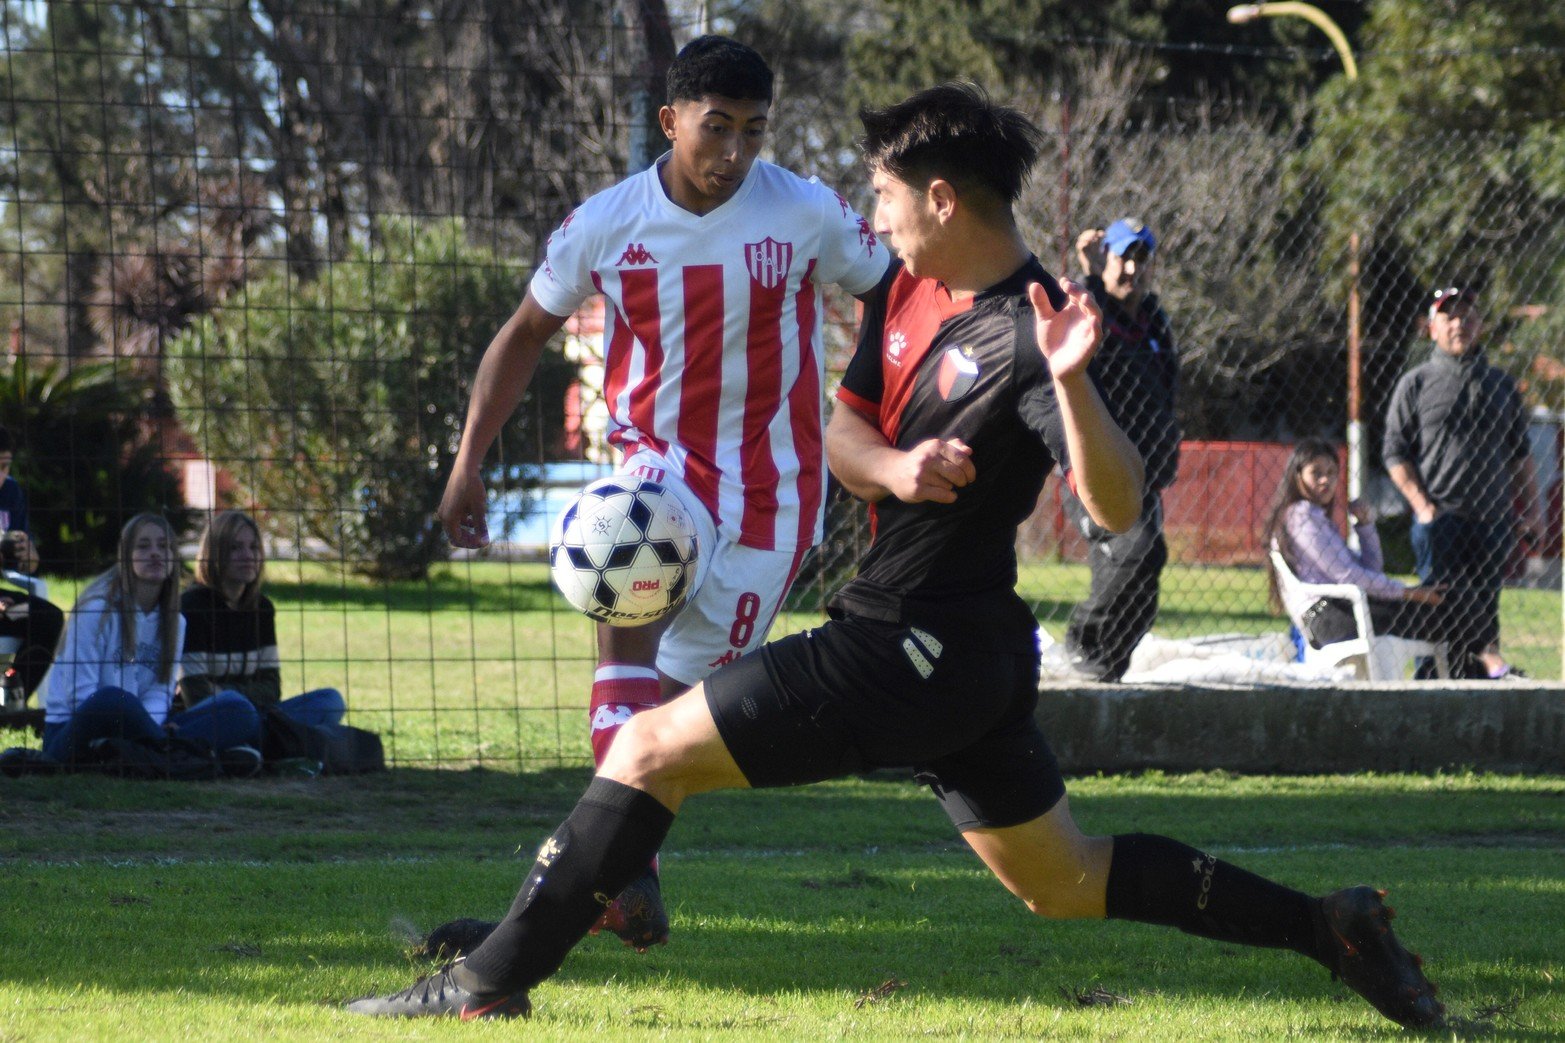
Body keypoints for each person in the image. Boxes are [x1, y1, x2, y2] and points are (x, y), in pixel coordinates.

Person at [350, 84, 1442, 1030]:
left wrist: (1068, 380)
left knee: (642, 747)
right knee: (1062, 878)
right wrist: (899, 468)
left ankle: (487, 979)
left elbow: (1113, 507)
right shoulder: (909, 293)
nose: (867, 214)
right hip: (962, 656)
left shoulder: (1033, 331)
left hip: (904, 644)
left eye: (879, 193)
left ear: (938, 198)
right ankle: (1327, 926)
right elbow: (841, 430)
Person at [435, 35, 890, 948]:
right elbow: (525, 331)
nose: (732, 154)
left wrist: (870, 415)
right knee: (621, 582)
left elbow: (894, 292)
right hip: (657, 468)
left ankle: (608, 872)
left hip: (773, 493)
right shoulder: (606, 220)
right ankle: (607, 884)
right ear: (670, 120)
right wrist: (466, 460)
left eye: (753, 132)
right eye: (714, 128)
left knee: (668, 727)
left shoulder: (805, 212)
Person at [1383, 284, 1541, 680]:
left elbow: (1522, 457)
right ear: (1432, 328)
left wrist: (1534, 513)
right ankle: (1436, 685)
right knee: (1440, 607)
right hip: (1441, 521)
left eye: (1468, 316)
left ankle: (1484, 688)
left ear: (1479, 326)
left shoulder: (1503, 386)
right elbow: (1393, 453)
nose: (1459, 324)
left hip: (1493, 523)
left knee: (1485, 603)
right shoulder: (1415, 384)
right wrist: (1422, 507)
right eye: (1449, 316)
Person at [41, 513, 260, 770]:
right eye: (143, 546)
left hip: (141, 730)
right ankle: (186, 757)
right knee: (112, 699)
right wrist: (140, 725)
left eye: (164, 546)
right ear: (126, 556)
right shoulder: (95, 611)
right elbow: (80, 697)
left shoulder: (175, 622)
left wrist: (148, 726)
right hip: (73, 732)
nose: (155, 553)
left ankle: (161, 755)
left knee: (237, 708)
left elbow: (160, 691)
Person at [1060, 219, 1179, 681]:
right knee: (1138, 549)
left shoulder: (1153, 321)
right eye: (1122, 258)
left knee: (1145, 581)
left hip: (1144, 473)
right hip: (1092, 466)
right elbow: (1081, 335)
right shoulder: (1093, 314)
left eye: (1141, 259)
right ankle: (1082, 635)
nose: (1132, 268)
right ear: (1105, 260)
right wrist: (1089, 275)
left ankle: (1105, 668)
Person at [1261, 439, 1495, 669]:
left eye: (1332, 473)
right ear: (1297, 475)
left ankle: (1483, 662)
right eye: (1317, 473)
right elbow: (1349, 576)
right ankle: (1489, 663)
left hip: (1347, 608)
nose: (1326, 481)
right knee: (1452, 605)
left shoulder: (1318, 519)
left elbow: (1371, 571)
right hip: (1329, 617)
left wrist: (1365, 527)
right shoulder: (1302, 518)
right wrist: (1408, 593)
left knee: (1449, 597)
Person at [178, 510, 348, 735]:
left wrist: (223, 690)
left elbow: (272, 687)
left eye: (253, 547)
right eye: (235, 548)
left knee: (330, 700)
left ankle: (257, 742)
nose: (248, 556)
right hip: (208, 719)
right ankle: (273, 741)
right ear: (214, 554)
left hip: (257, 714)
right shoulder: (191, 606)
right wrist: (238, 698)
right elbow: (196, 695)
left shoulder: (262, 608)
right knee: (236, 708)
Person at [0, 425, 66, 711]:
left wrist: (29, 556)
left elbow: (28, 563)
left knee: (48, 618)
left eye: (3, 466)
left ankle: (9, 705)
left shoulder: (10, 492)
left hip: (4, 603)